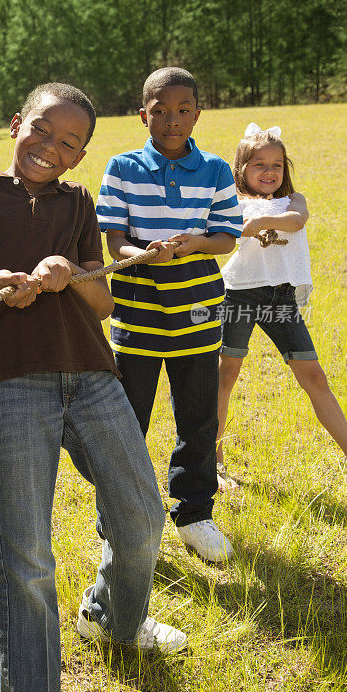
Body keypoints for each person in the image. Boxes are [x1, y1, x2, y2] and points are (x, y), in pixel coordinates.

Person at [0, 82, 187, 692]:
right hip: (13, 385)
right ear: (18, 123)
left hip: (94, 377)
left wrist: (70, 275)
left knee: (142, 518)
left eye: (69, 142)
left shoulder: (78, 202)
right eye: (42, 131)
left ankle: (112, 619)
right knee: (26, 560)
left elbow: (102, 303)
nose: (51, 147)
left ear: (80, 156)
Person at [96, 67, 242, 563]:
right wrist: (142, 251)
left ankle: (194, 512)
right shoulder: (121, 168)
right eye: (160, 111)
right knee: (127, 422)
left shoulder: (218, 170)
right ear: (144, 115)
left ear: (197, 114)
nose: (172, 120)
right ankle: (121, 522)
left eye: (183, 111)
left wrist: (197, 243)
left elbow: (226, 236)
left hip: (198, 313)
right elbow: (114, 241)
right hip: (137, 316)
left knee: (198, 418)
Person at [216, 123, 347, 483]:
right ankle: (214, 461)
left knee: (314, 376)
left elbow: (297, 220)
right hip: (238, 295)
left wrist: (262, 220)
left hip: (282, 299)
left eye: (277, 164)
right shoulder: (233, 203)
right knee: (225, 376)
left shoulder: (294, 201)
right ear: (241, 168)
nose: (270, 171)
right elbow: (228, 232)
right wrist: (248, 222)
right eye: (259, 164)